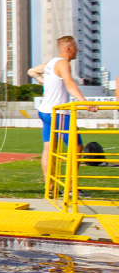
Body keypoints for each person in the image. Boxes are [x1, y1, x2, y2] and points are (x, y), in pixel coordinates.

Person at [29, 36, 98, 184]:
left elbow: (31, 71)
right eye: (75, 47)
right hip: (59, 113)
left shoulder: (51, 63)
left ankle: (50, 186)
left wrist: (45, 82)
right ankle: (71, 187)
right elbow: (69, 84)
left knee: (49, 150)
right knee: (77, 148)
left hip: (45, 112)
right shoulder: (63, 63)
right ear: (68, 49)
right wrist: (85, 102)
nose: (77, 50)